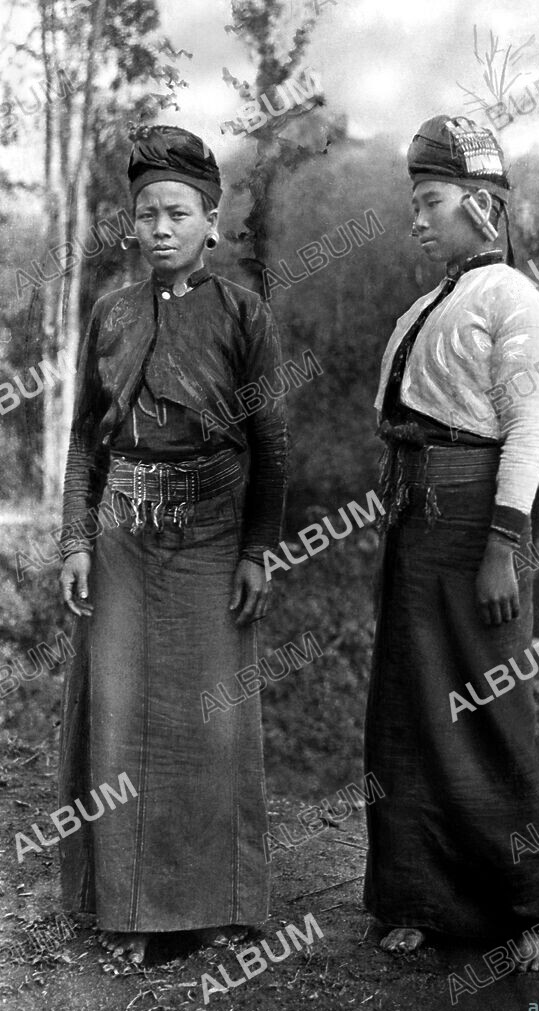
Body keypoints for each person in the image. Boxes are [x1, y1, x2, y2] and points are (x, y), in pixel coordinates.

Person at [58, 125, 288, 964]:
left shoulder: (240, 312)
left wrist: (259, 551)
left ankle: (217, 905)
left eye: (178, 212)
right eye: (146, 212)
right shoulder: (110, 312)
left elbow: (273, 444)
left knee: (210, 724)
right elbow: (87, 439)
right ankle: (128, 914)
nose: (159, 227)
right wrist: (75, 541)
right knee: (120, 723)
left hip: (212, 534)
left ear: (210, 221)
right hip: (121, 534)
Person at [365, 115, 539, 971]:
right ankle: (419, 896)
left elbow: (527, 428)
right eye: (412, 201)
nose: (417, 218)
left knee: (488, 710)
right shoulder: (428, 302)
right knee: (408, 709)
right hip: (414, 519)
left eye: (431, 201)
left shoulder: (513, 298)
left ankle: (532, 910)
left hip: (476, 522)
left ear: (483, 207)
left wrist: (500, 549)